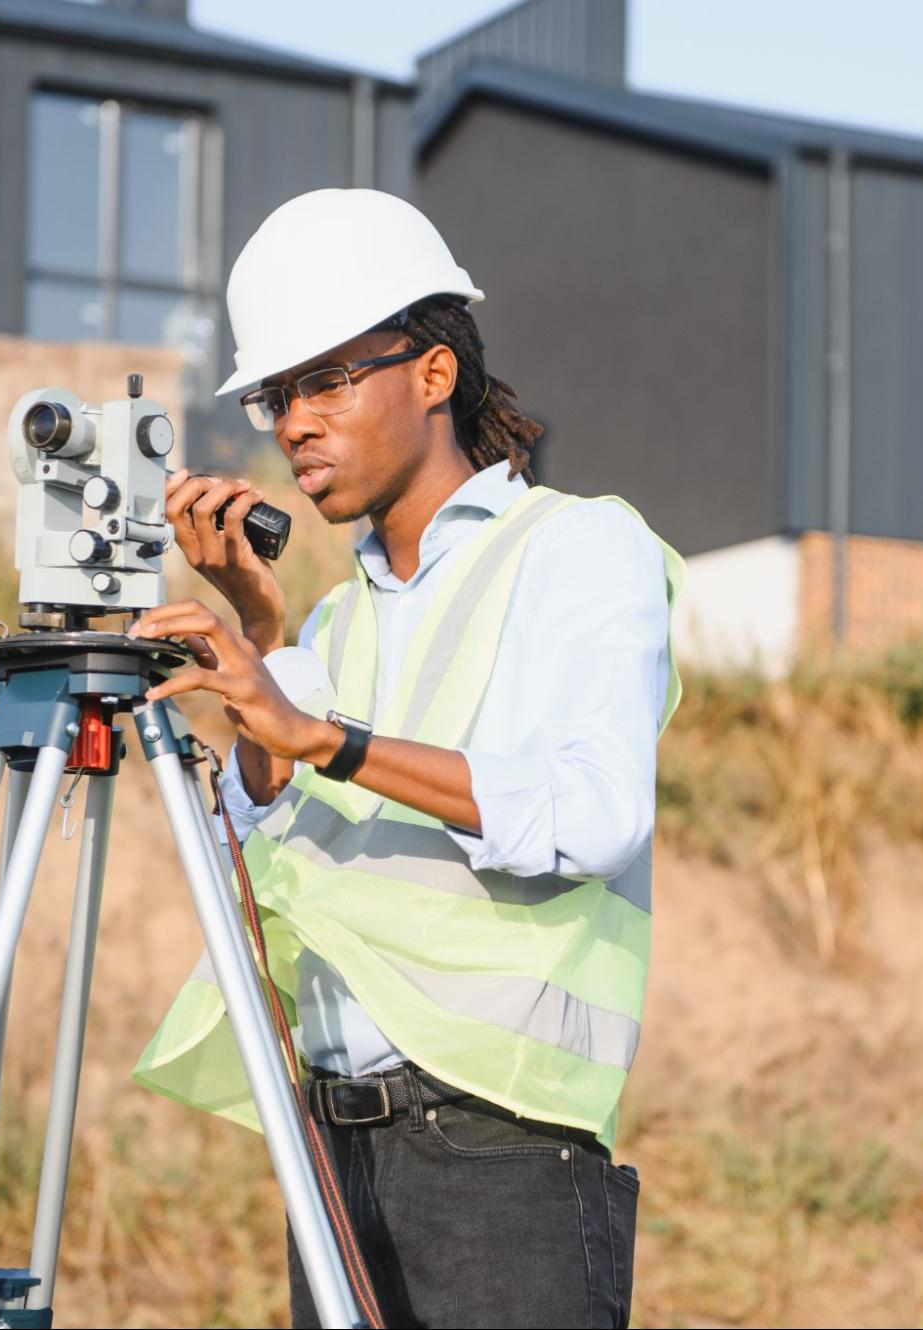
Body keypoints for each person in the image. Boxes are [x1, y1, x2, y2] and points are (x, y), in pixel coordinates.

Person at [126, 188, 682, 1329]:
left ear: (433, 374)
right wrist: (263, 652)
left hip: (499, 1155)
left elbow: (597, 811)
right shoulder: (335, 626)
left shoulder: (580, 548)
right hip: (334, 1151)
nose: (292, 423)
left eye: (327, 381)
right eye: (278, 395)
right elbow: (257, 865)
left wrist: (326, 736)